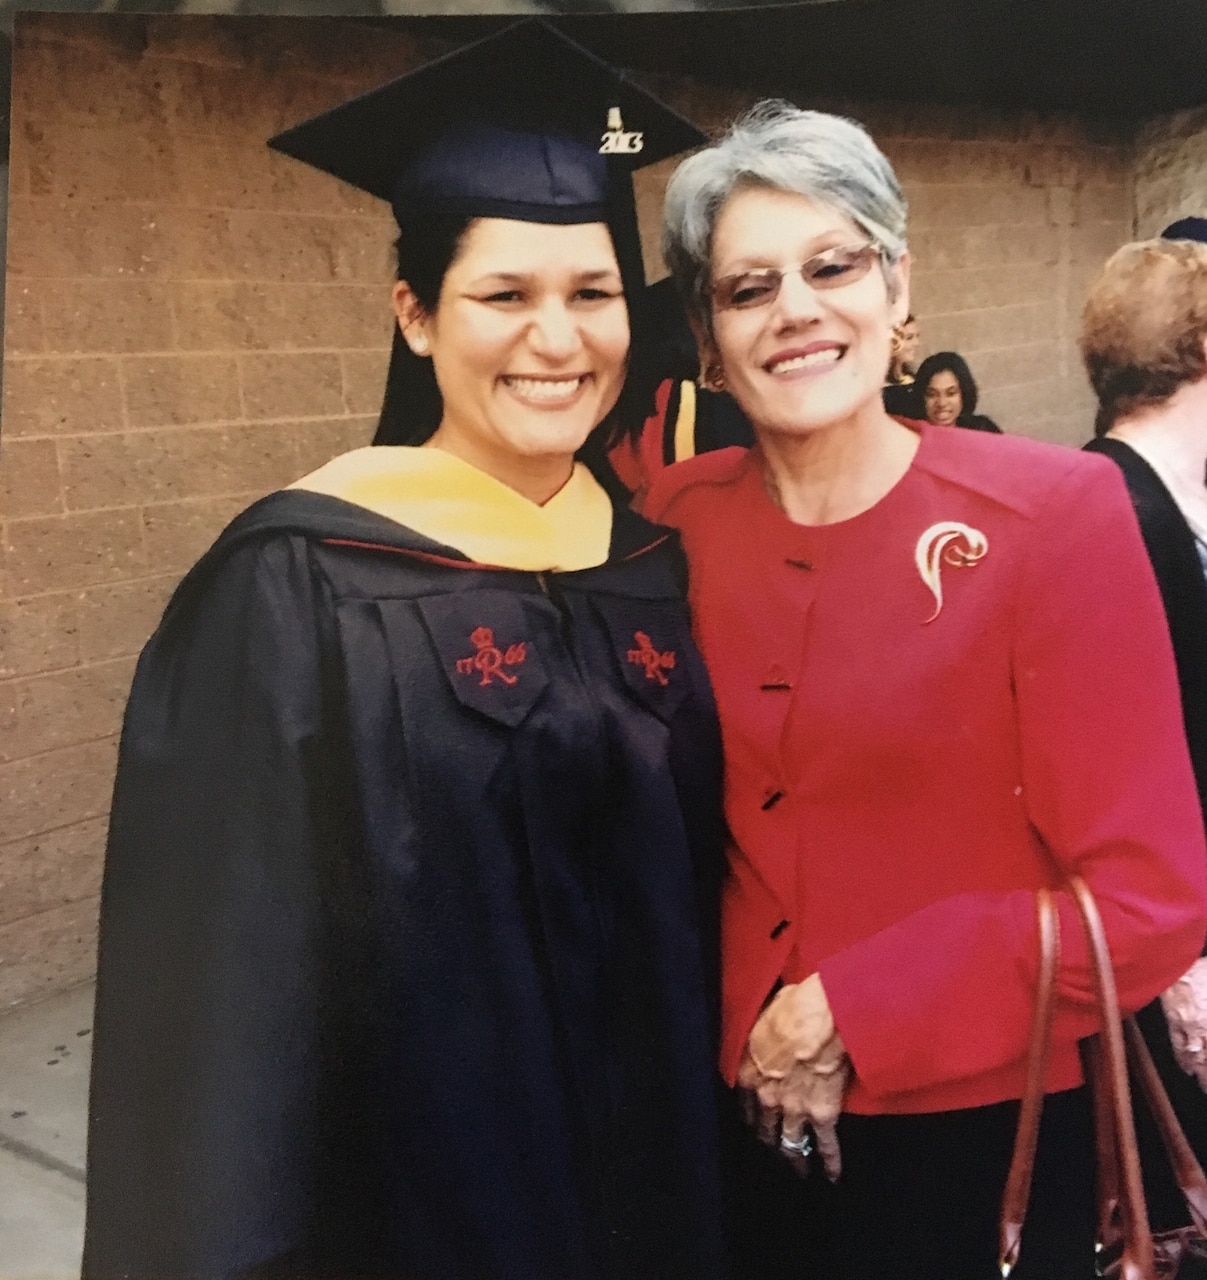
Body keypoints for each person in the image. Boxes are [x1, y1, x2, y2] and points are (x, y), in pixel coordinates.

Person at [81, 22, 729, 1280]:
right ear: (416, 315)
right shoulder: (297, 583)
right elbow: (222, 1017)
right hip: (413, 1219)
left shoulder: (646, 564)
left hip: (655, 1198)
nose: (559, 337)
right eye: (504, 294)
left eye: (591, 292)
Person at [645, 100, 1207, 1279]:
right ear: (705, 336)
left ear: (897, 289)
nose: (795, 307)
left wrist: (855, 1002)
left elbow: (1148, 896)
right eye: (748, 288)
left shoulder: (1051, 516)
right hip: (736, 1132)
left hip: (986, 1143)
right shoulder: (670, 523)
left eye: (832, 264)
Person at [1082, 237, 1207, 1231]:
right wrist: (1179, 967)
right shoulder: (1103, 510)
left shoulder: (1178, 499)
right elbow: (1096, 782)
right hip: (1170, 961)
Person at [912, 349, 1003, 432]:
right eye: (932, 394)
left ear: (964, 394)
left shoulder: (982, 430)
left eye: (951, 394)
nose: (942, 403)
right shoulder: (911, 436)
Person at [881, 311, 919, 415]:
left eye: (917, 336)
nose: (916, 343)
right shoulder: (878, 390)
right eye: (909, 338)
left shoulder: (914, 379)